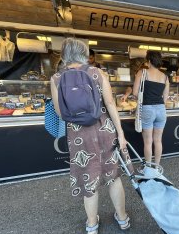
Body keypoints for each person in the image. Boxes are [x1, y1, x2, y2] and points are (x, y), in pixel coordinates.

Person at [50, 38, 133, 234]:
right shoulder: (98, 73)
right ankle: (122, 219)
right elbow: (111, 104)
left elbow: (60, 112)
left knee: (89, 178)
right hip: (104, 130)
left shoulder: (56, 79)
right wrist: (120, 134)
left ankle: (92, 224)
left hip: (79, 136)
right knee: (113, 177)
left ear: (63, 55)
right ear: (85, 54)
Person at [133, 51, 169, 165]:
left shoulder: (142, 72)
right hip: (161, 110)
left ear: (149, 61)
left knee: (148, 142)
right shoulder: (165, 77)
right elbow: (165, 98)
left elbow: (134, 93)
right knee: (158, 140)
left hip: (147, 108)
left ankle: (148, 167)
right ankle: (157, 167)